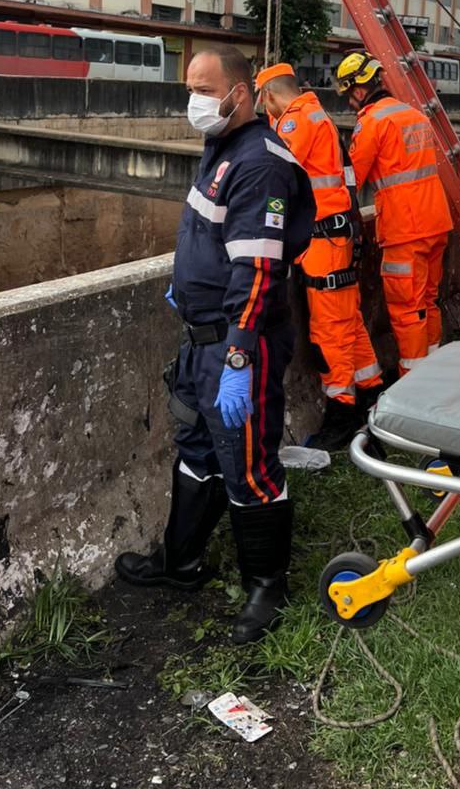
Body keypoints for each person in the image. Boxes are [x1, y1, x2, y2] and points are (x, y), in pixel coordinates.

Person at [115, 46, 315, 645]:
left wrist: (236, 359)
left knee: (248, 461)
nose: (195, 103)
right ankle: (181, 564)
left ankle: (266, 588)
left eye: (206, 91)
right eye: (190, 91)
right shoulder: (222, 146)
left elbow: (257, 271)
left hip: (238, 344)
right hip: (201, 337)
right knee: (198, 448)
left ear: (241, 92)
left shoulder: (261, 163)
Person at [256, 62, 383, 450]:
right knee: (349, 323)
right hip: (334, 237)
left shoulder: (296, 121)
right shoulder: (317, 115)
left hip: (322, 242)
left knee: (330, 330)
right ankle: (372, 395)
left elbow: (274, 173)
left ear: (268, 95)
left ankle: (342, 411)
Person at [335, 51, 452, 374]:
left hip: (405, 228)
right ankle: (433, 371)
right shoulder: (414, 115)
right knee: (429, 302)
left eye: (348, 95)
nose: (349, 103)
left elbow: (352, 180)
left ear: (358, 89)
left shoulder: (372, 122)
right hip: (436, 221)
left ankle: (412, 383)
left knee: (407, 308)